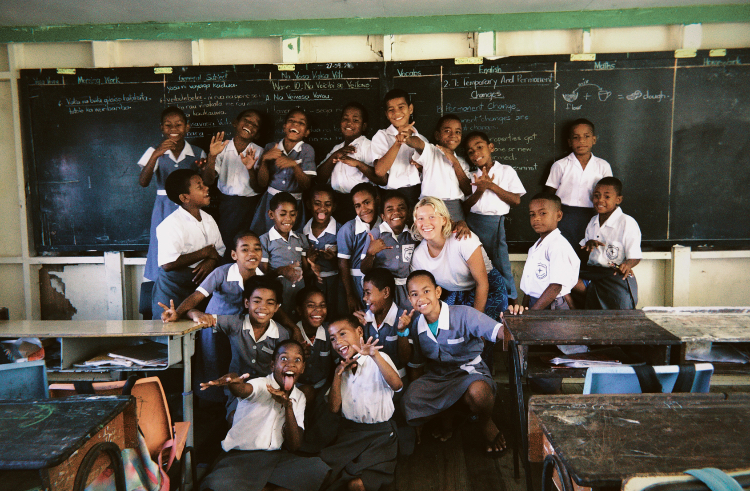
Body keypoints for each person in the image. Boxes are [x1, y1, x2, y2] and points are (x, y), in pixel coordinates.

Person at [199, 340, 330, 491]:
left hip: (274, 459)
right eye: (284, 358)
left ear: (303, 368)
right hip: (241, 457)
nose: (291, 364)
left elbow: (295, 445)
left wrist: (288, 407)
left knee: (319, 471)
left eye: (298, 360)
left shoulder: (299, 397)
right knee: (217, 485)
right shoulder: (261, 384)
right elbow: (243, 389)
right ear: (273, 365)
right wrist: (233, 381)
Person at [401, 270, 507, 455]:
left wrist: (511, 322)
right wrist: (418, 417)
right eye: (414, 294)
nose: (421, 298)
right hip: (439, 377)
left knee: (479, 393)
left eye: (426, 291)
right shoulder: (416, 325)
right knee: (410, 398)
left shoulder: (463, 314)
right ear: (410, 299)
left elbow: (498, 331)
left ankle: (486, 422)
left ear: (438, 292)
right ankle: (448, 418)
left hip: (470, 373)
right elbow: (416, 367)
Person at [189, 275, 290, 424]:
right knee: (236, 420)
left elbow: (283, 371)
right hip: (238, 391)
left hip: (268, 391)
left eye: (270, 303)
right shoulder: (235, 323)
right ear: (247, 302)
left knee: (267, 423)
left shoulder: (282, 334)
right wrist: (196, 314)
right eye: (257, 301)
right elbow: (198, 315)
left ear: (276, 307)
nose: (262, 307)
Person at [137, 106, 205, 318]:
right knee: (162, 253)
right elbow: (143, 181)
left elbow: (204, 181)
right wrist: (156, 155)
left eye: (178, 125)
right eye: (168, 125)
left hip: (188, 207)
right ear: (161, 128)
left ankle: (187, 304)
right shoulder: (153, 151)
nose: (173, 129)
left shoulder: (196, 152)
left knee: (189, 249)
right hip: (164, 208)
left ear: (187, 127)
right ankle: (157, 310)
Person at [321, 316, 403, 491]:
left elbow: (397, 385)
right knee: (323, 475)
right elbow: (334, 408)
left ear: (359, 331)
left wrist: (375, 355)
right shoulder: (341, 369)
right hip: (350, 434)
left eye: (343, 334)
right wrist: (337, 375)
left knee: (356, 485)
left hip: (380, 436)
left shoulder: (379, 359)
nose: (338, 341)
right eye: (333, 338)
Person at [410, 196, 507, 320]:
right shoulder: (418, 256)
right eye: (420, 218)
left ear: (444, 220)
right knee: (451, 333)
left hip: (487, 289)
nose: (426, 223)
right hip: (455, 293)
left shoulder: (463, 240)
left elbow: (482, 283)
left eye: (432, 217)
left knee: (484, 334)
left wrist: (477, 323)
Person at [463, 131, 526, 305]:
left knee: (501, 265)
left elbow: (516, 200)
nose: (476, 154)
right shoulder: (470, 176)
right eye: (470, 151)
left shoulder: (506, 171)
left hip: (495, 224)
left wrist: (490, 185)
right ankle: (480, 306)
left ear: (491, 147)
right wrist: (481, 189)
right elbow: (465, 206)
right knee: (475, 267)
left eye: (479, 147)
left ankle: (512, 306)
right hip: (473, 224)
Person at [151, 169, 224, 320]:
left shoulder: (208, 219)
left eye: (204, 184)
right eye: (199, 186)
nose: (206, 188)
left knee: (199, 333)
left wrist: (211, 260)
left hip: (199, 288)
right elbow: (168, 264)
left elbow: (219, 250)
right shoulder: (171, 224)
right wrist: (205, 253)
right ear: (185, 197)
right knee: (171, 333)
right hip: (173, 290)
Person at [200, 109, 265, 260]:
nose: (250, 124)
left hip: (251, 207)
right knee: (227, 246)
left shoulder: (260, 152)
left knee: (248, 247)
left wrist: (250, 170)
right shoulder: (221, 148)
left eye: (255, 124)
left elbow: (258, 187)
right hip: (226, 206)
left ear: (258, 134)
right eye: (247, 120)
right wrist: (212, 156)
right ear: (235, 123)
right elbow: (208, 181)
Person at [573, 177, 641, 309]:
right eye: (596, 196)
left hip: (613, 274)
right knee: (566, 281)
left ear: (618, 200)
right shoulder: (593, 221)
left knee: (618, 308)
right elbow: (583, 251)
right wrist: (588, 245)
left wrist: (627, 264)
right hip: (592, 273)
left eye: (607, 197)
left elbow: (635, 256)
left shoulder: (627, 222)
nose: (600, 200)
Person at [545, 118, 612, 251]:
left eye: (586, 136)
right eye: (576, 137)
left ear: (594, 139)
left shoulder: (603, 166)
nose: (581, 141)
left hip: (593, 216)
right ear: (569, 142)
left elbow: (609, 193)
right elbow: (549, 196)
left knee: (588, 253)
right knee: (565, 252)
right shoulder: (560, 165)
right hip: (564, 217)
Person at [316, 102, 386, 224]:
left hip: (361, 205)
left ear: (364, 126)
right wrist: (335, 155)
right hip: (337, 203)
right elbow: (320, 178)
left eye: (355, 120)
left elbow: (381, 179)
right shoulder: (337, 148)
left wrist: (357, 164)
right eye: (345, 119)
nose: (349, 123)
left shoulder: (368, 146)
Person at [251, 108, 316, 235]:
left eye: (301, 123)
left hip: (294, 205)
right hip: (270, 202)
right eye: (291, 121)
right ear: (284, 127)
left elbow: (306, 185)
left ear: (307, 132)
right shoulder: (271, 147)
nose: (295, 124)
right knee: (265, 236)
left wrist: (294, 165)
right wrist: (264, 160)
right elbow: (262, 183)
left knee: (291, 238)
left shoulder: (307, 150)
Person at [513, 193, 580, 312]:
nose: (536, 218)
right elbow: (529, 287)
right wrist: (525, 309)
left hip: (552, 305)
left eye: (543, 213)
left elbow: (555, 286)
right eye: (532, 214)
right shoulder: (535, 247)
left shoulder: (557, 245)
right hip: (537, 303)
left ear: (558, 215)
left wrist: (531, 314)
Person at [259, 192, 316, 319]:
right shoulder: (264, 240)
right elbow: (263, 276)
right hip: (277, 298)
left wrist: (313, 267)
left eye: (293, 214)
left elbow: (305, 272)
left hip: (298, 297)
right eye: (283, 214)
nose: (288, 219)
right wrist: (281, 271)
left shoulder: (301, 239)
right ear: (271, 214)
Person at [404, 114, 471, 221]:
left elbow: (467, 189)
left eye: (458, 132)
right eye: (447, 131)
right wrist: (407, 138)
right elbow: (419, 144)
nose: (453, 135)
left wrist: (455, 162)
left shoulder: (462, 162)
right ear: (437, 135)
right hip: (430, 206)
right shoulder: (431, 152)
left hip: (455, 208)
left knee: (455, 236)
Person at [370, 89, 427, 207]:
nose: (396, 113)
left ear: (410, 109)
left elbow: (429, 172)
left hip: (417, 195)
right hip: (390, 196)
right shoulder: (382, 136)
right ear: (386, 114)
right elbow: (380, 171)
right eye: (391, 110)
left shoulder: (421, 140)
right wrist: (398, 142)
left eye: (401, 107)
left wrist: (421, 168)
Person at [360, 191, 416, 313]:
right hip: (382, 292)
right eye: (390, 209)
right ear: (383, 216)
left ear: (408, 212)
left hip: (406, 291)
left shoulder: (413, 234)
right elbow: (364, 269)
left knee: (407, 319)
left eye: (401, 208)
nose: (396, 212)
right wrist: (370, 253)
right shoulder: (376, 234)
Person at [303, 184, 346, 319]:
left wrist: (334, 259)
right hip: (312, 282)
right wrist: (308, 260)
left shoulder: (341, 231)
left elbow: (346, 260)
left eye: (327, 204)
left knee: (334, 314)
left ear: (334, 207)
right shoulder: (303, 232)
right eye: (317, 203)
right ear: (309, 205)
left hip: (335, 282)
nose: (322, 208)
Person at [337, 183, 381, 313]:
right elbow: (343, 263)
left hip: (378, 283)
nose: (363, 209)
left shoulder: (384, 225)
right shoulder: (348, 229)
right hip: (355, 284)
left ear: (377, 200)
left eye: (367, 202)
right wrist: (350, 294)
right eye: (358, 205)